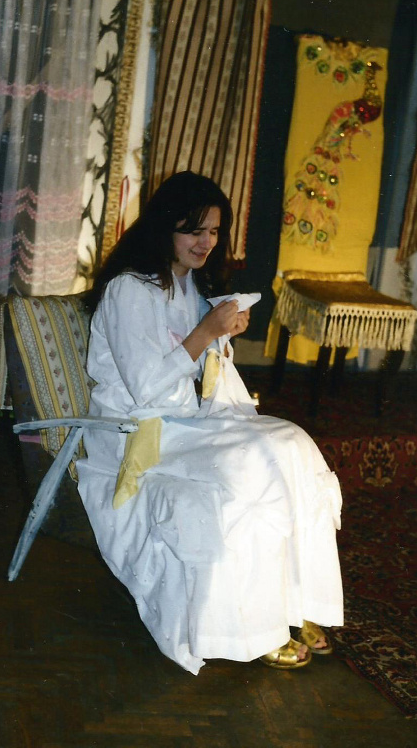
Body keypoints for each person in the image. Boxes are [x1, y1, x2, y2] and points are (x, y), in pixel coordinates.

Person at [77, 171, 344, 674]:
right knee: (248, 467)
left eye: (215, 231)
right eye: (194, 231)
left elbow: (200, 372)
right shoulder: (128, 290)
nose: (206, 243)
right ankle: (254, 627)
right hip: (138, 432)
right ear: (165, 227)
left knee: (293, 445)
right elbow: (147, 388)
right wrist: (205, 332)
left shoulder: (186, 284)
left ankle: (294, 603)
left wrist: (221, 334)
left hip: (186, 423)